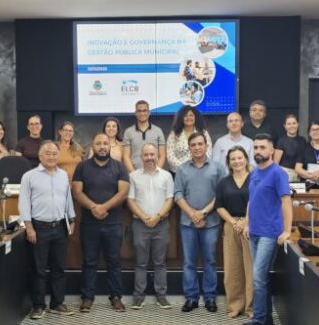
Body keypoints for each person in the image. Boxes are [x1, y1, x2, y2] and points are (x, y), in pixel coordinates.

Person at [72, 133, 130, 312]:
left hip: (113, 224)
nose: (102, 146)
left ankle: (116, 297)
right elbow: (77, 191)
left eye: (105, 143)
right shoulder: (82, 167)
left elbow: (123, 192)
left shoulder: (119, 167)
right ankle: (87, 298)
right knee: (89, 261)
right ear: (93, 147)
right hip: (89, 224)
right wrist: (93, 207)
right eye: (98, 144)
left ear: (110, 147)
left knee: (114, 261)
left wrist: (104, 207)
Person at [242, 133, 292, 325]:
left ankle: (259, 321)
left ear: (271, 150)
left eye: (262, 147)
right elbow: (251, 200)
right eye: (255, 147)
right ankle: (267, 318)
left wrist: (287, 230)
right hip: (254, 231)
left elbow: (286, 201)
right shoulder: (254, 172)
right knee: (260, 278)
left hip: (269, 233)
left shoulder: (278, 173)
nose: (258, 151)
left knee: (258, 277)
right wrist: (247, 222)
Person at [19, 141, 76, 319]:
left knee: (59, 268)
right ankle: (38, 305)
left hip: (60, 227)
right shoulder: (29, 176)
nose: (51, 156)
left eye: (54, 153)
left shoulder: (63, 175)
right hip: (39, 228)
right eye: (48, 153)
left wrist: (72, 218)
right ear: (40, 155)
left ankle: (57, 303)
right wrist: (29, 227)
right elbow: (24, 203)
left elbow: (67, 199)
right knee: (39, 269)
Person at [174, 132, 226, 313]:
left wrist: (202, 213)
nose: (197, 147)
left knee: (210, 261)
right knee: (189, 262)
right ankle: (191, 298)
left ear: (206, 146)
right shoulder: (181, 169)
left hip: (211, 222)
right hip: (187, 223)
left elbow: (221, 194)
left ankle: (210, 297)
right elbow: (178, 194)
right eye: (193, 145)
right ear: (189, 148)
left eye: (200, 144)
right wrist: (192, 214)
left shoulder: (218, 168)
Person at [127, 143, 174, 310]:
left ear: (157, 156)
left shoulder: (166, 176)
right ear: (141, 157)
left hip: (161, 224)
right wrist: (144, 217)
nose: (149, 158)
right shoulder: (133, 176)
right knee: (140, 262)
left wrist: (157, 216)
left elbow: (170, 199)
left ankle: (161, 296)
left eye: (152, 154)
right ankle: (138, 297)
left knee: (160, 262)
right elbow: (130, 200)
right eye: (146, 155)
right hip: (140, 224)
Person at [215, 146, 252, 318]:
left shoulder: (255, 179)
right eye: (233, 159)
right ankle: (236, 306)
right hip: (231, 226)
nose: (237, 161)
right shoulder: (224, 183)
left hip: (251, 225)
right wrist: (233, 222)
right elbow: (219, 206)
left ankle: (251, 308)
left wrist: (245, 221)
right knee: (232, 269)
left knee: (250, 268)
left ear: (246, 159)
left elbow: (258, 202)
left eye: (240, 157)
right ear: (229, 163)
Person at [166, 105, 213, 174]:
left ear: (196, 117)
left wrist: (197, 166)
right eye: (185, 116)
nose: (188, 118)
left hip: (200, 171)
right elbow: (170, 155)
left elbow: (209, 152)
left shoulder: (203, 133)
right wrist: (184, 168)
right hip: (178, 172)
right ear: (181, 118)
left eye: (191, 115)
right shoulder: (174, 134)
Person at [123, 100, 166, 173]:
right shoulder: (128, 132)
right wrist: (134, 174)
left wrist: (156, 172)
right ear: (135, 113)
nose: (142, 113)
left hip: (154, 174)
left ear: (149, 112)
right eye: (139, 111)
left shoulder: (158, 131)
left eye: (144, 110)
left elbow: (162, 155)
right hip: (134, 173)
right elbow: (126, 156)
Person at [295, 121, 319, 188]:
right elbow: (298, 168)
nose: (315, 132)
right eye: (312, 130)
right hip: (307, 187)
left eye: (318, 129)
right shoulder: (304, 147)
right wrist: (311, 176)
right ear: (309, 133)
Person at [274, 114, 306, 182]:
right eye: (289, 124)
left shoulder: (302, 140)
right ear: (285, 126)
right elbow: (275, 163)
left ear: (298, 124)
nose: (292, 126)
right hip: (285, 174)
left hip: (300, 175)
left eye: (294, 123)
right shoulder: (281, 141)